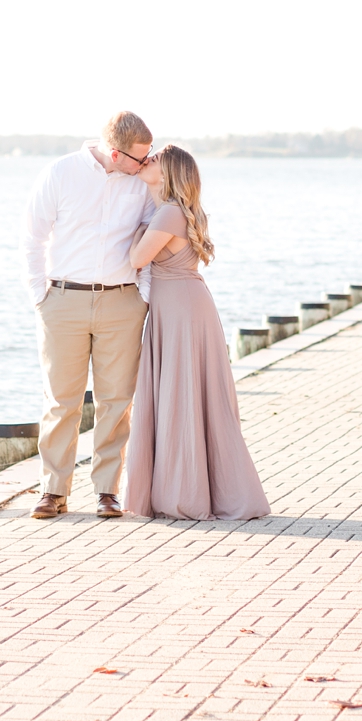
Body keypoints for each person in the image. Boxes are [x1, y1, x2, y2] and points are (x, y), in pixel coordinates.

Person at [22, 111, 157, 520]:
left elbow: (151, 235)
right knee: (61, 400)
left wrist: (143, 296)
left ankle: (106, 491)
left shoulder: (142, 183)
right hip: (62, 300)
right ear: (116, 154)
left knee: (116, 400)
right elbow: (32, 236)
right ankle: (53, 490)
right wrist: (39, 296)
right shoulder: (60, 173)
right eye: (139, 158)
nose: (146, 164)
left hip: (122, 301)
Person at [122, 145, 269, 520]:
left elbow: (137, 260)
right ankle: (195, 487)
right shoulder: (170, 211)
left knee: (183, 397)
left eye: (154, 159)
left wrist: (138, 227)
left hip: (181, 311)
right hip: (182, 306)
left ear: (168, 171)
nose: (147, 160)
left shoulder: (169, 213)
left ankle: (184, 493)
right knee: (190, 397)